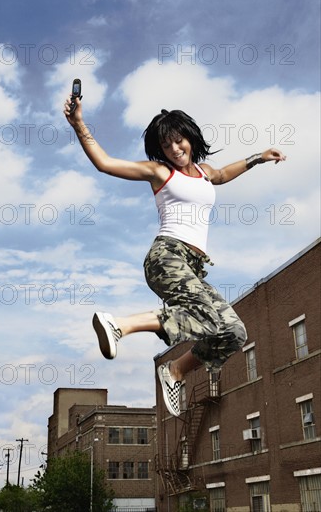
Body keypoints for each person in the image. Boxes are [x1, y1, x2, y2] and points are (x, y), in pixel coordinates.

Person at [64, 96, 286, 417]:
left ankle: (176, 371)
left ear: (189, 138)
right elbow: (105, 163)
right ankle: (120, 325)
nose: (175, 150)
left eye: (178, 141)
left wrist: (259, 158)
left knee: (233, 332)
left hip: (194, 267)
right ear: (161, 150)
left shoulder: (204, 171)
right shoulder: (159, 172)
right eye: (167, 146)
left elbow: (223, 173)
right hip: (167, 256)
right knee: (209, 318)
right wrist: (79, 124)